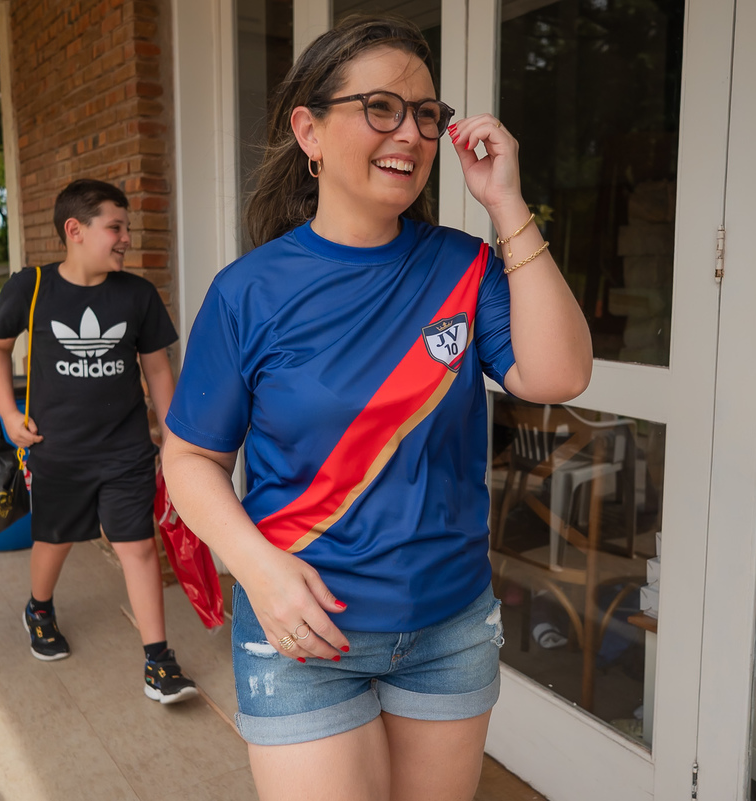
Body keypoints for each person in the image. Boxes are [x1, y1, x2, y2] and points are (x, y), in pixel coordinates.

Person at [162, 14, 591, 800]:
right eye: (382, 107)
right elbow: (189, 458)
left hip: (449, 626)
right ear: (310, 131)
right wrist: (257, 570)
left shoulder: (462, 267)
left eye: (426, 114)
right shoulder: (247, 291)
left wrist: (505, 203)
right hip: (300, 626)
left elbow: (559, 374)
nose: (413, 133)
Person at [0, 178, 197, 704]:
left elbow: (158, 371)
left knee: (138, 547)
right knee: (53, 540)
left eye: (127, 228)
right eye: (116, 227)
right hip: (55, 447)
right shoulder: (30, 288)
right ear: (75, 231)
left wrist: (173, 441)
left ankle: (158, 661)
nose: (126, 238)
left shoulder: (137, 295)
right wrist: (9, 414)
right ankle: (38, 608)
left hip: (124, 448)